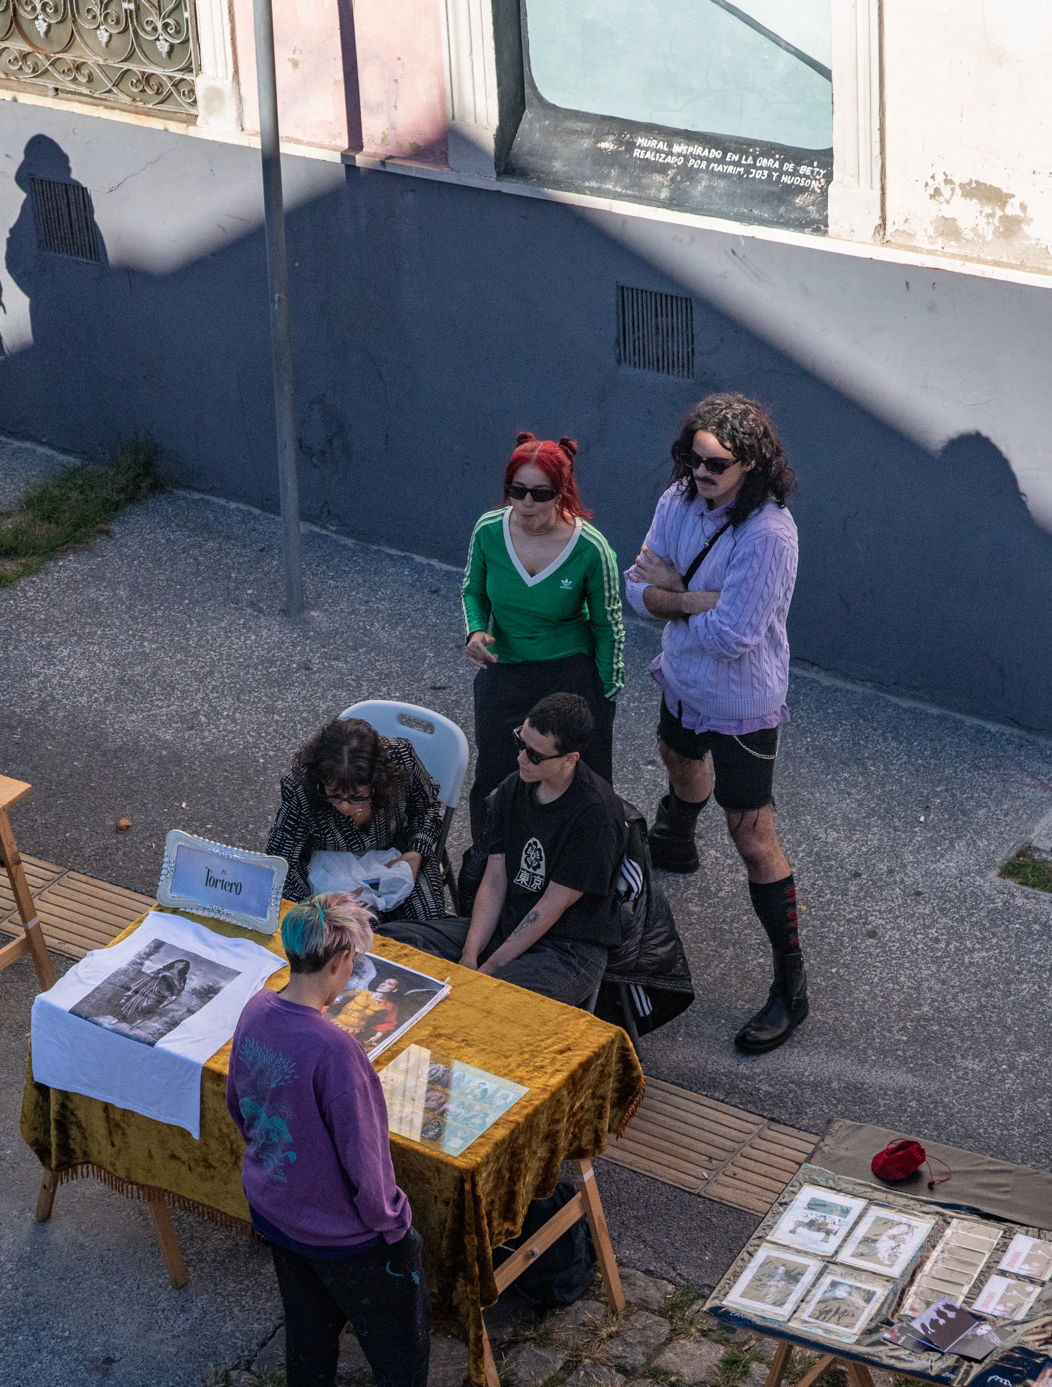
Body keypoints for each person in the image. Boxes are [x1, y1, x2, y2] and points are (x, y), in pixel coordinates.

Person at [226, 892, 504, 1387]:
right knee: (400, 1334)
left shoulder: (256, 1009)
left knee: (307, 1324)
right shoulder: (335, 1050)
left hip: (278, 1210)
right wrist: (393, 1224)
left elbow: (239, 1102)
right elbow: (366, 1157)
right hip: (344, 1232)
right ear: (341, 960)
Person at [622, 393, 805, 1055]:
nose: (700, 472)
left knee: (751, 837)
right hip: (681, 679)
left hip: (741, 703)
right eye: (693, 458)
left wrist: (676, 592)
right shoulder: (677, 500)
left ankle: (791, 986)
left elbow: (735, 637)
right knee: (677, 758)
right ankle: (676, 836)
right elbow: (634, 589)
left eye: (716, 464)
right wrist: (694, 597)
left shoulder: (770, 535)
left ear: (750, 463)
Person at [460, 433, 623, 841]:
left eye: (540, 493)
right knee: (495, 776)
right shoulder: (488, 531)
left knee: (580, 779)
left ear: (561, 492)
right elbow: (473, 591)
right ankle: (488, 860)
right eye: (517, 491)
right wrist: (476, 631)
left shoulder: (591, 548)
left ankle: (587, 858)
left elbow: (608, 624)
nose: (526, 503)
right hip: (505, 666)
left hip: (568, 671)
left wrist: (606, 693)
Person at [460, 692, 626, 1010]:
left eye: (535, 755)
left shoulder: (595, 814)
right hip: (508, 925)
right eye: (520, 742)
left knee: (486, 1005)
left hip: (568, 948)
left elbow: (554, 904)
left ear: (570, 759)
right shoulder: (513, 787)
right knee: (403, 943)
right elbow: (495, 880)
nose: (521, 759)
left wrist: (489, 968)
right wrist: (469, 956)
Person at [264, 717, 472, 961]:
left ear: (377, 782)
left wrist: (416, 852)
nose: (344, 807)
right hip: (329, 874)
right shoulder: (300, 785)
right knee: (343, 945)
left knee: (428, 933)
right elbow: (282, 858)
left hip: (399, 857)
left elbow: (427, 810)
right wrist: (318, 903)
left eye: (357, 796)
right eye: (333, 795)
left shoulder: (402, 761)